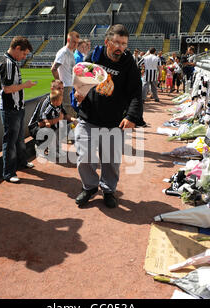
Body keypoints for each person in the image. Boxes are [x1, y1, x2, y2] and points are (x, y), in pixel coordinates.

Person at [73, 24, 143, 209]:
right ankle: (89, 187)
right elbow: (82, 78)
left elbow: (136, 92)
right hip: (89, 116)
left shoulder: (129, 63)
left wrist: (132, 116)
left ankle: (108, 189)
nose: (121, 47)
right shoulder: (95, 55)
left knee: (111, 161)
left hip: (114, 120)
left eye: (124, 43)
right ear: (107, 42)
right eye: (117, 42)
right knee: (84, 156)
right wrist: (79, 92)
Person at [0, 36, 37, 184]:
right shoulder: (7, 63)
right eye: (24, 53)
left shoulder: (12, 62)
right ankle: (8, 173)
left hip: (17, 108)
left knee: (20, 139)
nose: (24, 57)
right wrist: (25, 85)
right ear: (17, 48)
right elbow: (7, 89)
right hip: (10, 109)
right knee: (10, 141)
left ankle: (22, 162)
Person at [39, 89, 77, 159]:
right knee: (54, 140)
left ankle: (59, 149)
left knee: (58, 139)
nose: (61, 101)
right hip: (52, 127)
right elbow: (44, 114)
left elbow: (65, 114)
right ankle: (52, 152)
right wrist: (46, 121)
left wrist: (74, 120)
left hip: (57, 126)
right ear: (55, 101)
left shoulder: (58, 106)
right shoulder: (50, 107)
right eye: (60, 100)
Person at [51, 31, 80, 118]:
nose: (76, 45)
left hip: (70, 86)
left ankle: (70, 131)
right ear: (68, 40)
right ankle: (65, 131)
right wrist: (60, 84)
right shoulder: (63, 52)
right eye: (74, 42)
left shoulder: (70, 52)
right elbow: (54, 68)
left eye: (77, 43)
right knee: (68, 113)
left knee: (71, 111)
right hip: (66, 87)